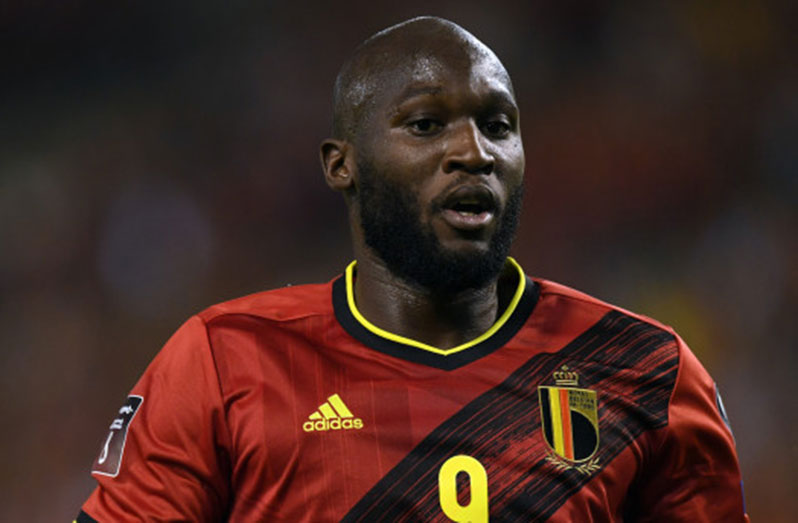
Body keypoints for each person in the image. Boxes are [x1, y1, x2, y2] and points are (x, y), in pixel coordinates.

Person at [76, 16, 749, 522]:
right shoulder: (225, 363)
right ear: (342, 164)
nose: (473, 151)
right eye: (427, 125)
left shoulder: (645, 368)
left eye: (498, 124)